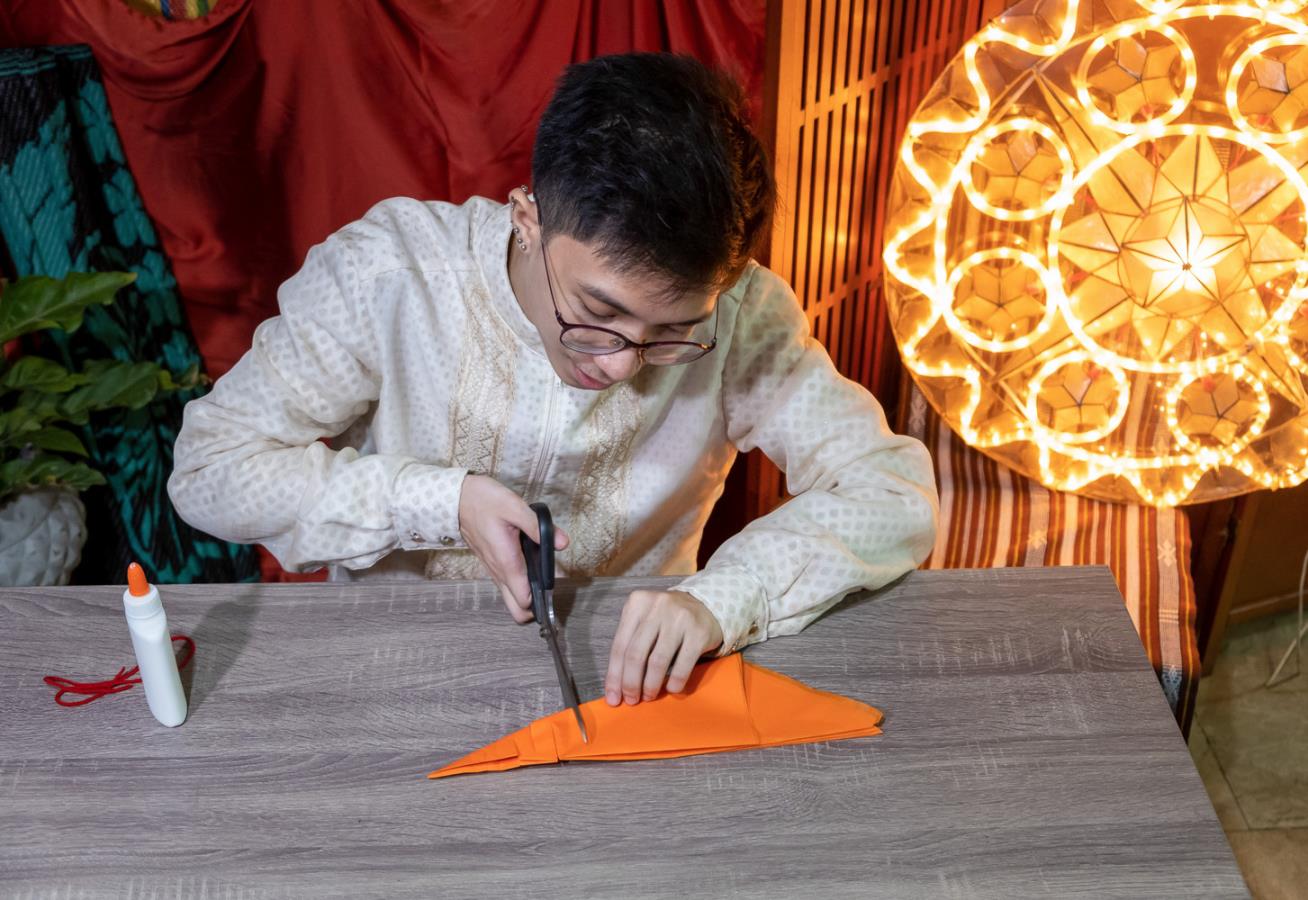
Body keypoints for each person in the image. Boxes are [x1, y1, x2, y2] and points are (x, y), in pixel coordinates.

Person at [168, 52, 938, 710]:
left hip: (629, 692)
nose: (622, 364)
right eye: (598, 312)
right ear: (528, 218)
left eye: (671, 331)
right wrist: (436, 500)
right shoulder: (391, 274)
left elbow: (894, 492)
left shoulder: (743, 315)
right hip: (388, 677)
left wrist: (723, 598)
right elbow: (209, 472)